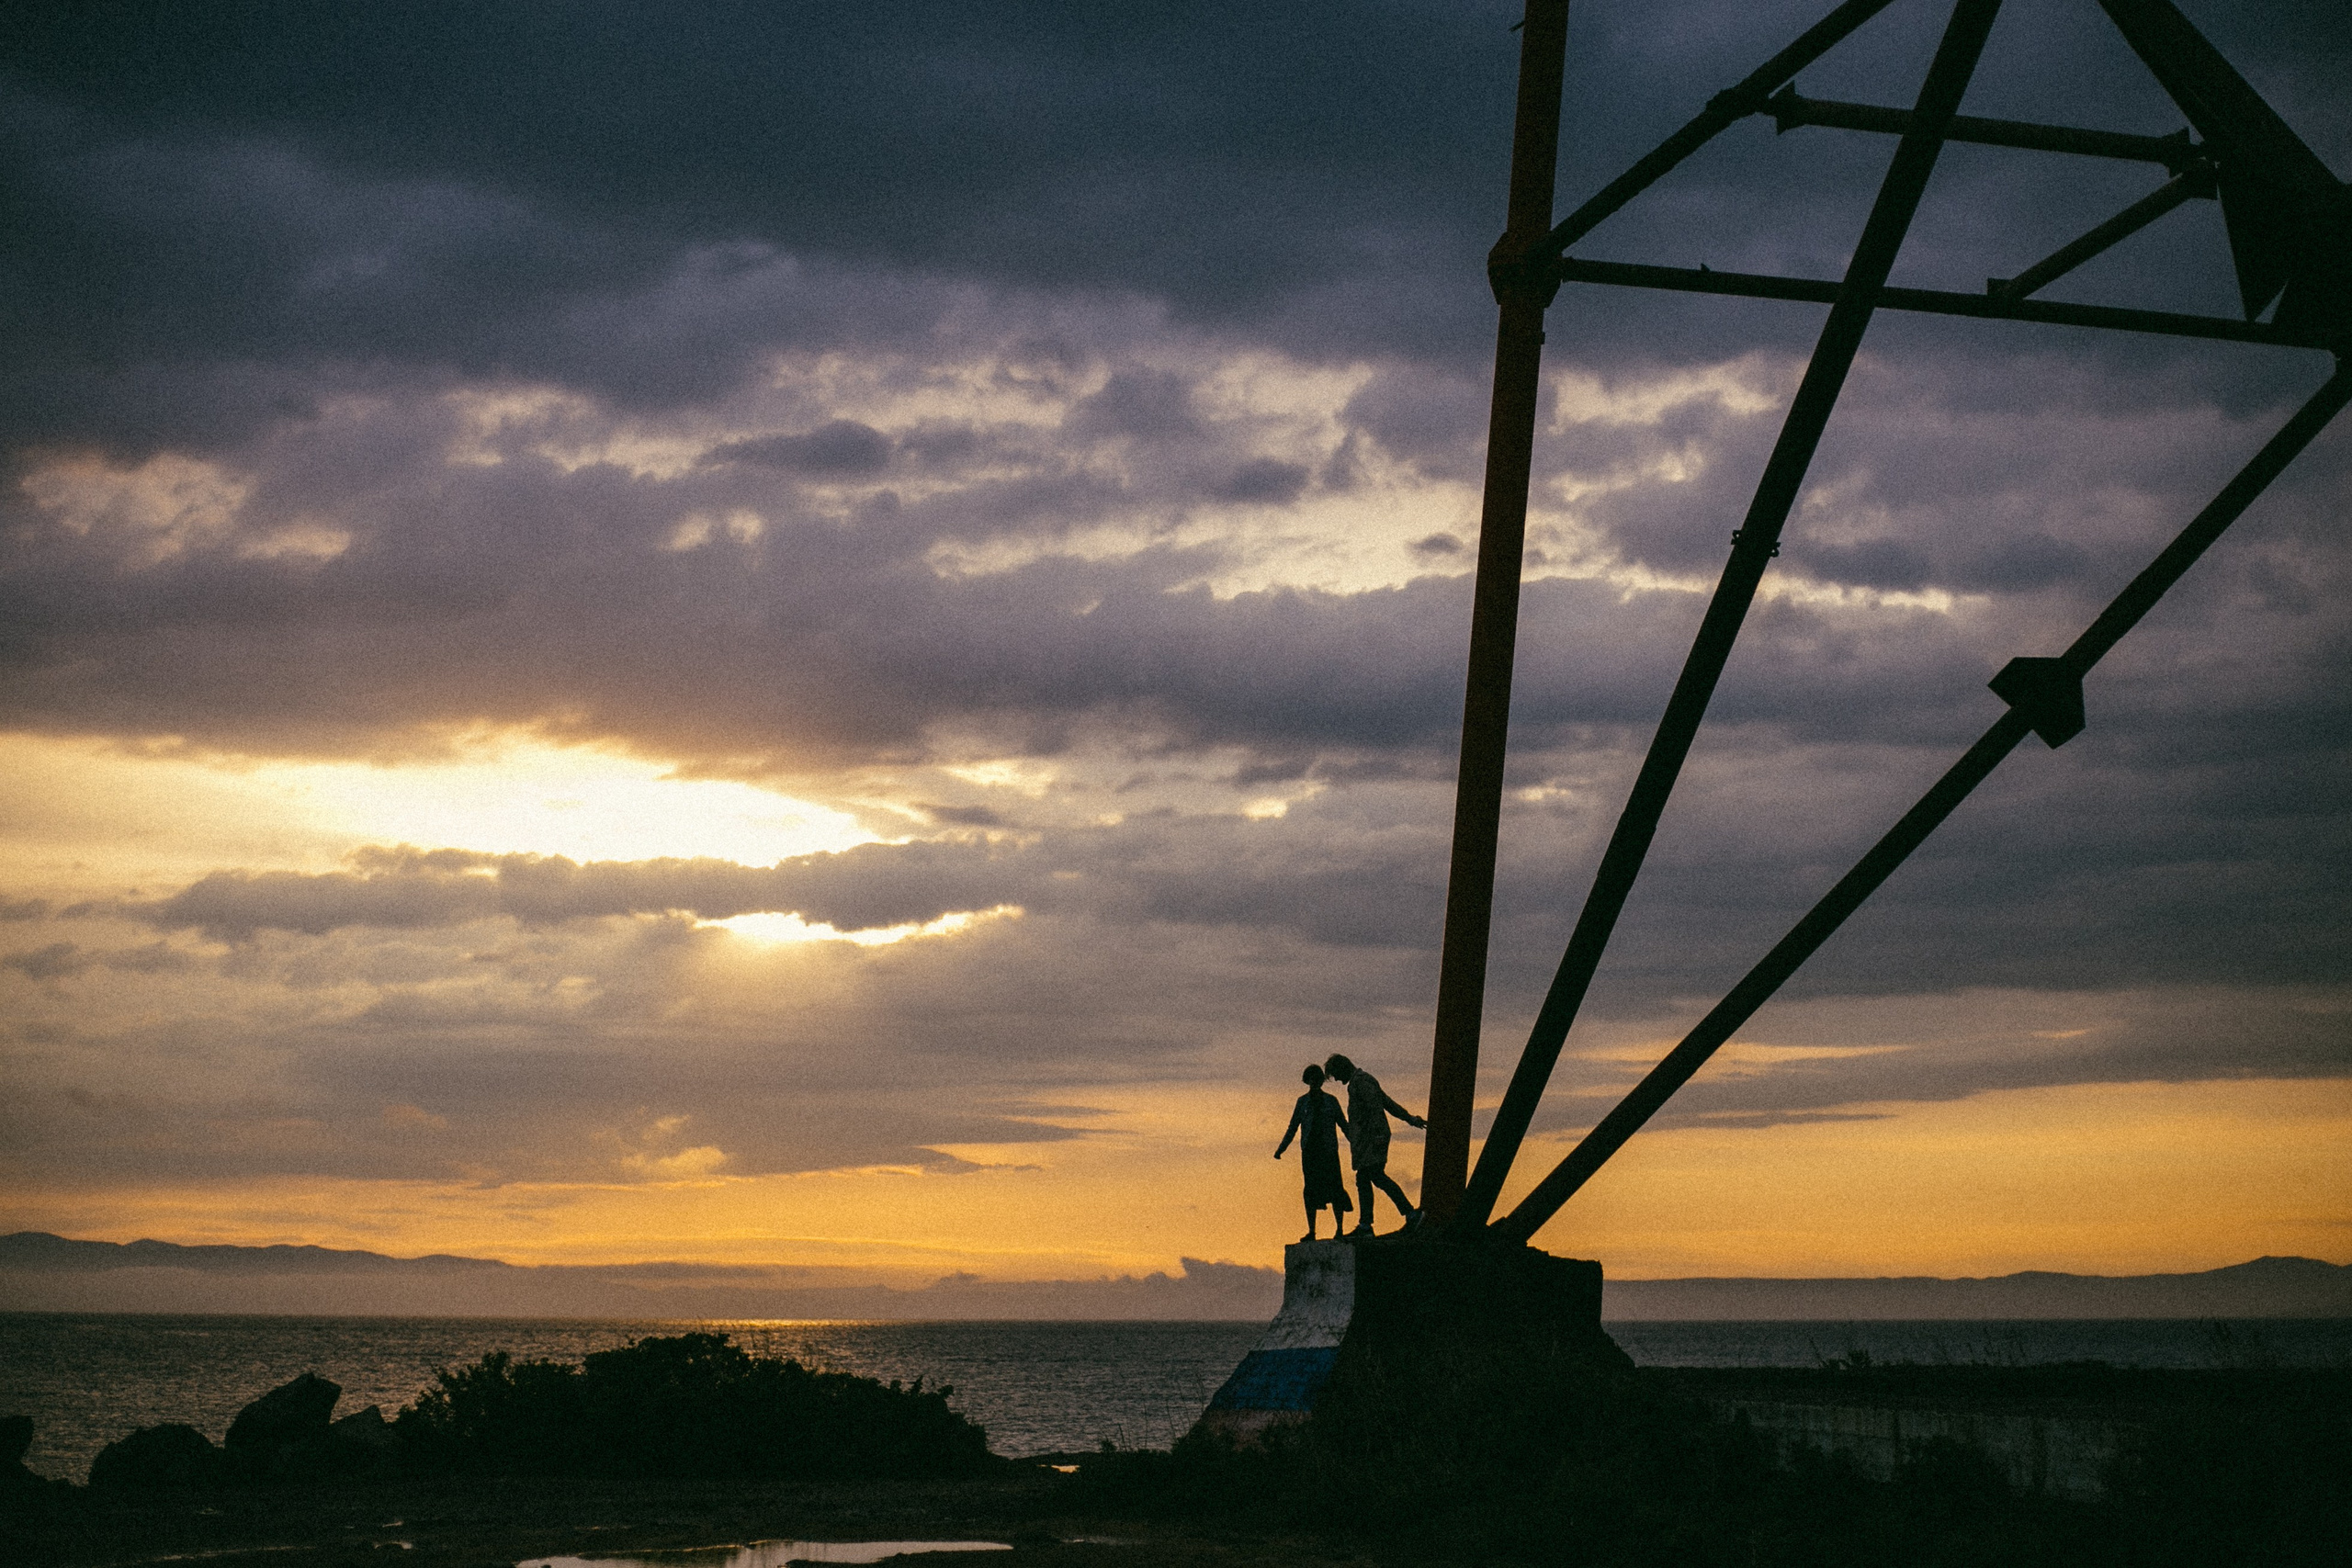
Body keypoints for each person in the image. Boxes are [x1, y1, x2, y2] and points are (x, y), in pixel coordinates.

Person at [1323, 1053, 1425, 1237]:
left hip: (1372, 1139)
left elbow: (1376, 1108)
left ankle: (1405, 1215)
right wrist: (1410, 1118)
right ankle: (1370, 1224)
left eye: (1336, 1074)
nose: (1337, 1079)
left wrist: (1378, 1134)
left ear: (1343, 1068)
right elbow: (1387, 1103)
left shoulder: (1361, 1082)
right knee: (1368, 1179)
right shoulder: (1360, 1082)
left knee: (1373, 1177)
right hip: (1367, 1140)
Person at [1272, 1064, 1352, 1241]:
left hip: (1329, 1152)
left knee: (1336, 1189)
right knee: (1310, 1191)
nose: (1315, 1083)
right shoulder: (1302, 1103)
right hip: (1310, 1153)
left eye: (1317, 1080)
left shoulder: (1331, 1101)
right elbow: (1293, 1127)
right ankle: (1312, 1230)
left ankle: (1340, 1228)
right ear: (1307, 1081)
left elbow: (1343, 1124)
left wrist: (1355, 1143)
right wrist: (1281, 1148)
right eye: (1312, 1080)